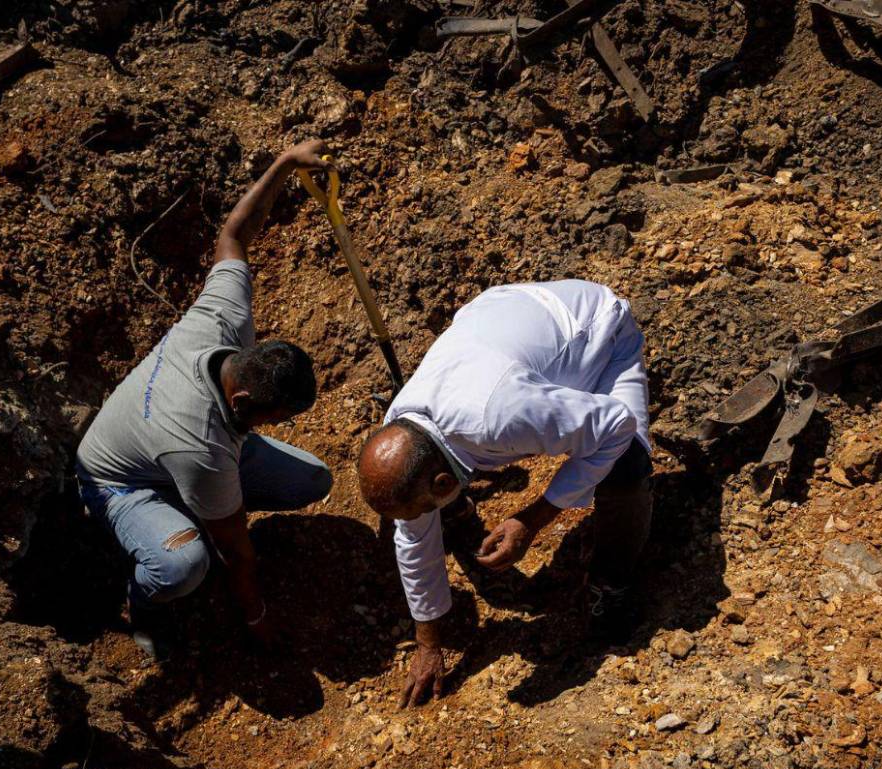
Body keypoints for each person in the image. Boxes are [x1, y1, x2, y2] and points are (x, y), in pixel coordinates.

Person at [76, 140, 335, 660]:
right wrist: (256, 616)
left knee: (313, 479)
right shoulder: (202, 445)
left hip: (162, 450)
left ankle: (196, 508)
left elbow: (235, 235)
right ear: (241, 402)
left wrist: (283, 163)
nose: (278, 425)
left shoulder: (223, 321)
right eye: (276, 418)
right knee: (184, 566)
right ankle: (146, 605)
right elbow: (236, 555)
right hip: (118, 480)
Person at [357, 279, 652, 707]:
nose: (416, 519)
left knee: (625, 466)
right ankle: (455, 510)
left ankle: (612, 585)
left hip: (597, 335)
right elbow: (413, 539)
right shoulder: (402, 430)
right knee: (422, 507)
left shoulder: (500, 417)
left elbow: (615, 426)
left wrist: (531, 520)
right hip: (510, 319)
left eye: (430, 504)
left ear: (445, 484)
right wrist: (427, 645)